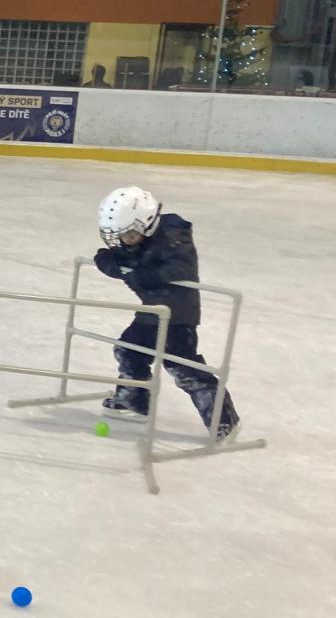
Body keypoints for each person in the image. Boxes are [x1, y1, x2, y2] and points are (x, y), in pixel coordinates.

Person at [93, 187, 240, 441]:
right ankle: (134, 399)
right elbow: (113, 258)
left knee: (183, 367)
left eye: (129, 235)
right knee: (129, 350)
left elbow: (178, 270)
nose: (125, 241)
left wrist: (134, 273)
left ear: (147, 224)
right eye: (120, 236)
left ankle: (224, 420)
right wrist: (115, 264)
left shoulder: (174, 236)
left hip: (178, 316)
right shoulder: (138, 243)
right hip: (153, 312)